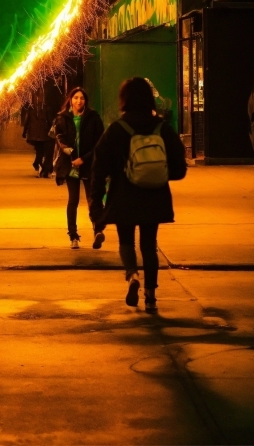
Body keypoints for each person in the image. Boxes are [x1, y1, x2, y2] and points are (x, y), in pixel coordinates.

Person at [89, 77, 187, 314]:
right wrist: (160, 175)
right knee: (149, 245)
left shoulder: (116, 130)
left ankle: (132, 275)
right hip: (154, 196)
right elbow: (180, 168)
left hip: (124, 196)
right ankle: (151, 296)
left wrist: (96, 203)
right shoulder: (162, 128)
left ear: (124, 99)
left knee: (126, 241)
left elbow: (98, 168)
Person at [50, 87, 105, 249]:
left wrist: (84, 159)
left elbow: (99, 142)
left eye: (82, 98)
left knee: (92, 200)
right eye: (75, 98)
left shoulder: (93, 118)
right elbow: (58, 137)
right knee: (73, 200)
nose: (79, 101)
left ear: (86, 101)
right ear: (70, 100)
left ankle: (98, 231)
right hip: (70, 164)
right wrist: (68, 151)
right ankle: (73, 236)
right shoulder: (62, 118)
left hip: (88, 164)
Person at [22, 85, 54, 176]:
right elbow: (50, 120)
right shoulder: (45, 108)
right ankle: (40, 165)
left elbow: (27, 121)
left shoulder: (32, 108)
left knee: (39, 151)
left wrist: (25, 132)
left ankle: (39, 165)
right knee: (42, 151)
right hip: (43, 134)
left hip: (35, 134)